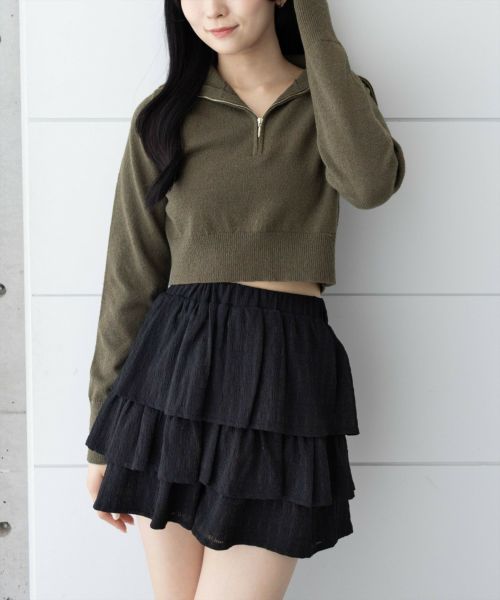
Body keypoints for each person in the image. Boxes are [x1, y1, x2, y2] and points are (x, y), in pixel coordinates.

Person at [85, 0, 406, 598]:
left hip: (284, 371)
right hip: (170, 377)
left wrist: (315, 23)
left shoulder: (332, 97)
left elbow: (369, 184)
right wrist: (101, 432)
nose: (212, 8)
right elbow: (130, 276)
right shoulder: (163, 116)